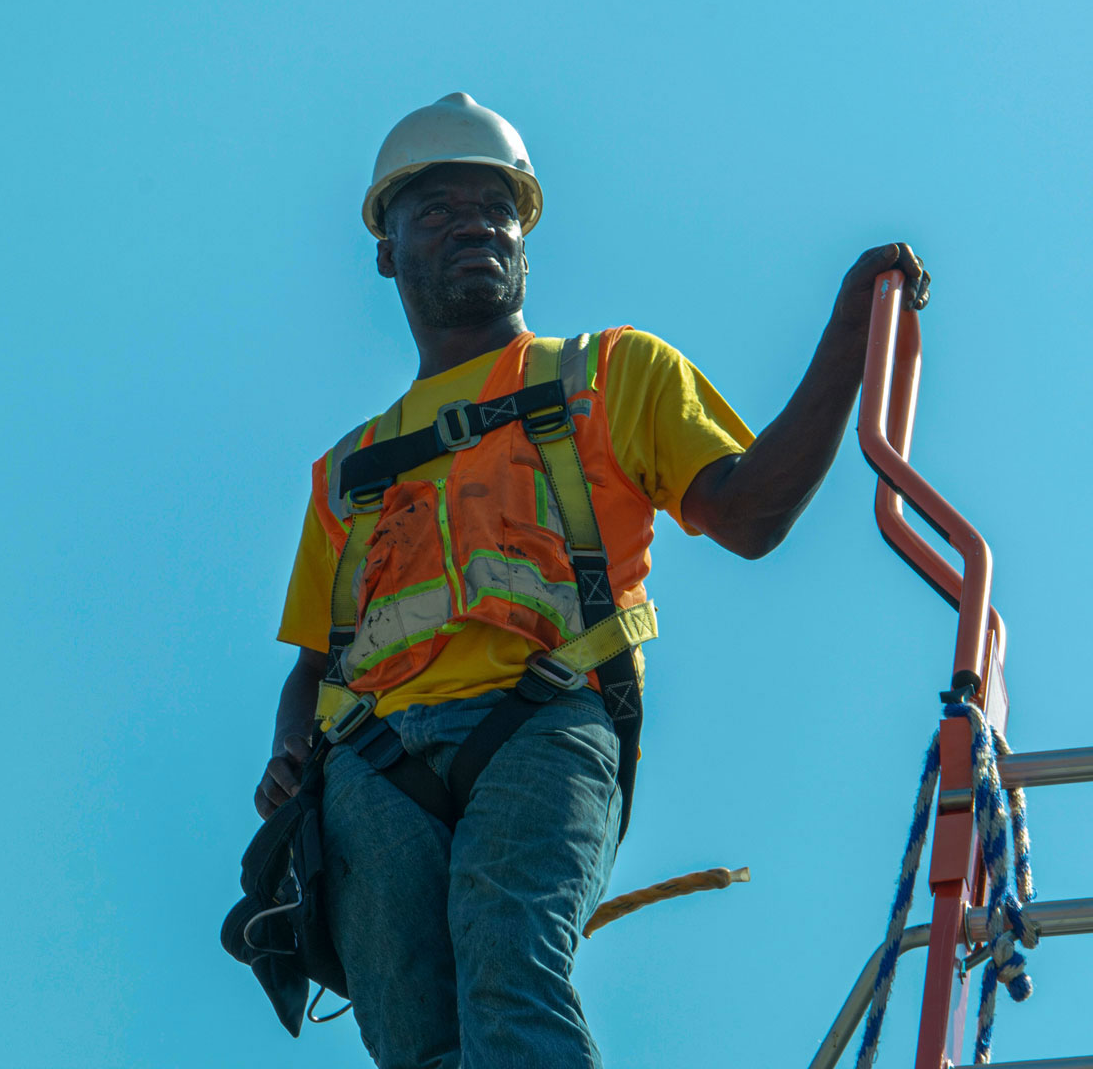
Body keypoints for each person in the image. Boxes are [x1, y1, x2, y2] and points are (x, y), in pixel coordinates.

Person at [255, 93, 929, 1068]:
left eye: (497, 206)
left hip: (542, 717)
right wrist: (286, 752)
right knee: (416, 1044)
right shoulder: (350, 467)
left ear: (525, 236)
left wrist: (845, 341)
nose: (474, 222)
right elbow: (316, 656)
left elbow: (749, 514)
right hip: (370, 762)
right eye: (437, 208)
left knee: (510, 972)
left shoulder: (608, 372)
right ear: (385, 248)